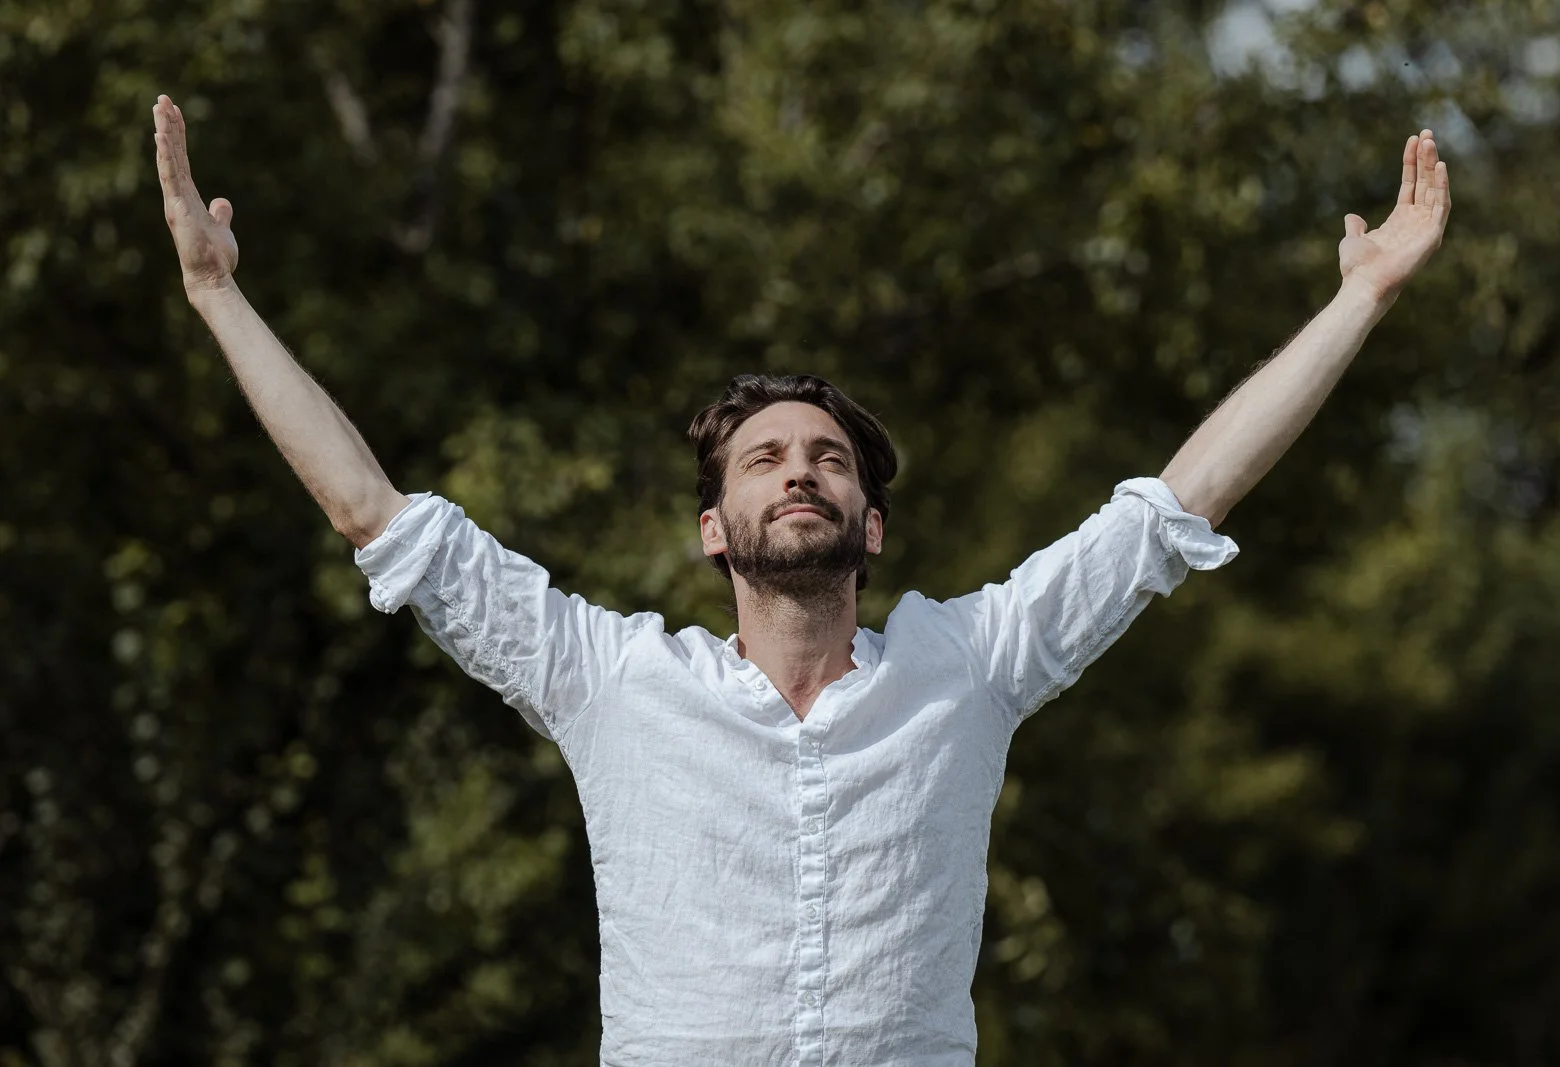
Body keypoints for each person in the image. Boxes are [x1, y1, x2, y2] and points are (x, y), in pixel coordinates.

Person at [153, 92, 1452, 1065]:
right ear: (714, 529)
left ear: (870, 526)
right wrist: (217, 297)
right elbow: (372, 513)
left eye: (829, 459)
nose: (800, 472)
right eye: (765, 457)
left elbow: (1178, 505)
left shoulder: (969, 666)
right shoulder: (611, 680)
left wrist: (1363, 300)